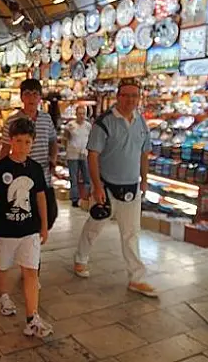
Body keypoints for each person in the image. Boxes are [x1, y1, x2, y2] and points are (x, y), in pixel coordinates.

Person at [72, 81, 158, 298]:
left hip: (132, 187)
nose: (130, 100)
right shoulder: (104, 123)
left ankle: (136, 278)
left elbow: (144, 153)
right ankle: (81, 259)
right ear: (118, 97)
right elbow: (93, 155)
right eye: (126, 95)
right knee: (95, 226)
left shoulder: (141, 122)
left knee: (131, 233)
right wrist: (96, 186)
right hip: (107, 186)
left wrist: (145, 179)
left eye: (134, 96)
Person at [0, 118, 53, 338]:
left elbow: (40, 198)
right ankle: (3, 295)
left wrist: (44, 226)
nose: (23, 146)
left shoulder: (35, 168)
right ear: (11, 140)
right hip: (5, 231)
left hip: (29, 231)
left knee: (31, 271)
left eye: (27, 142)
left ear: (33, 143)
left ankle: (32, 318)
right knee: (2, 266)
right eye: (19, 141)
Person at [0, 79, 58, 228]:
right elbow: (5, 148)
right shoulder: (12, 121)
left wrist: (53, 158)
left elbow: (53, 141)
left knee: (50, 213)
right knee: (26, 213)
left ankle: (39, 236)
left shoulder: (46, 119)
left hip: (44, 174)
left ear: (40, 97)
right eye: (27, 94)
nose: (31, 98)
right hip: (21, 176)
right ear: (21, 97)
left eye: (35, 94)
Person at [64, 105, 92, 207]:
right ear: (76, 114)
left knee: (87, 177)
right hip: (72, 155)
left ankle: (86, 197)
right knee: (74, 178)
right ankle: (74, 199)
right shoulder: (70, 125)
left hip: (85, 154)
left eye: (83, 114)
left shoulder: (88, 126)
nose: (81, 116)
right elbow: (65, 138)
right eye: (79, 114)